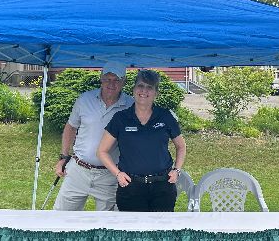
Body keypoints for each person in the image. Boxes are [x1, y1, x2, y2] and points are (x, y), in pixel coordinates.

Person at [97, 69, 187, 212]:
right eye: (140, 86)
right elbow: (102, 151)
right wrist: (118, 174)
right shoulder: (121, 118)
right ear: (133, 89)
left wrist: (177, 170)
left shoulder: (165, 116)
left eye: (149, 87)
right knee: (132, 227)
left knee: (161, 226)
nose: (144, 90)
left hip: (162, 187)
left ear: (156, 93)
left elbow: (181, 147)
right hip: (130, 187)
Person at [53, 62, 134, 211]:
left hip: (110, 175)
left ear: (124, 82)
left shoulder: (131, 105)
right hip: (78, 170)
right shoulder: (84, 99)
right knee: (61, 216)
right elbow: (71, 126)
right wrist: (63, 157)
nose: (111, 84)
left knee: (108, 222)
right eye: (107, 79)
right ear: (101, 79)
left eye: (116, 80)